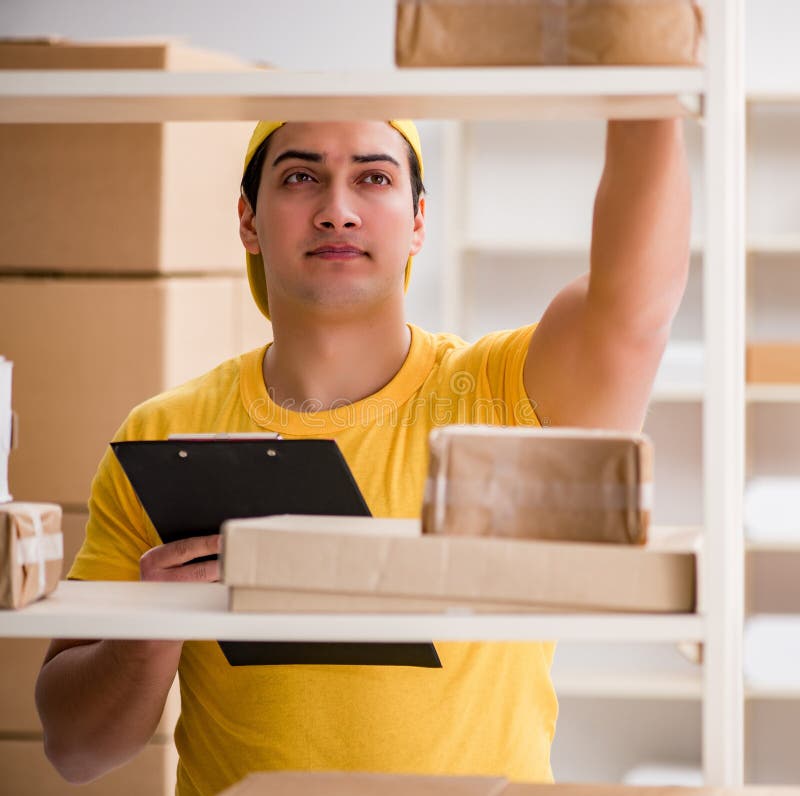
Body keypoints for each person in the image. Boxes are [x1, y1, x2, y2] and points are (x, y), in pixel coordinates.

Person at [35, 117, 691, 796]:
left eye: (373, 178)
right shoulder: (167, 436)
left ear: (417, 222)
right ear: (248, 221)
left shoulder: (502, 393)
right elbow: (75, 751)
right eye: (299, 177)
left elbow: (634, 309)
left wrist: (647, 96)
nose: (337, 211)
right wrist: (145, 633)